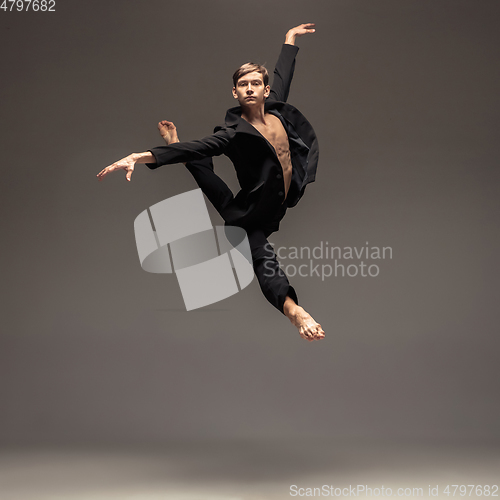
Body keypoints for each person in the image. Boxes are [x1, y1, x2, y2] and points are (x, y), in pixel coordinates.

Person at [97, 23, 325, 342]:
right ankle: (295, 311)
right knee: (260, 255)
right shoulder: (232, 134)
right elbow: (198, 148)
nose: (249, 88)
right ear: (235, 92)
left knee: (213, 186)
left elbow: (283, 75)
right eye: (242, 85)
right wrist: (139, 155)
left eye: (255, 83)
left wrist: (289, 41)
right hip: (249, 216)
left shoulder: (278, 110)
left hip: (270, 204)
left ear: (265, 90)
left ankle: (178, 144)